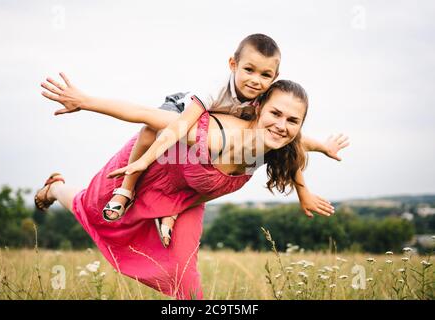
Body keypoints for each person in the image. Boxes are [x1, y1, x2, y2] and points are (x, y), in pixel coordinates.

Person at [35, 79, 345, 299]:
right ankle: (56, 189)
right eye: (276, 114)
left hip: (186, 199)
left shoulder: (278, 141)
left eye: (293, 120)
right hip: (151, 170)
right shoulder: (212, 135)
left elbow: (301, 144)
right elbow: (145, 116)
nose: (282, 125)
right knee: (92, 208)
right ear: (259, 108)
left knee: (183, 275)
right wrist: (85, 102)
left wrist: (309, 178)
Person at [40, 34, 348, 247]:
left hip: (200, 150)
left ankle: (169, 208)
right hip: (185, 109)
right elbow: (148, 115)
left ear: (274, 77)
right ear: (233, 65)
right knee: (150, 129)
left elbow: (293, 141)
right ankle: (121, 189)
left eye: (265, 75)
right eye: (249, 70)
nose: (255, 80)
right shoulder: (214, 91)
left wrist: (321, 151)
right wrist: (86, 101)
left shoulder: (264, 107)